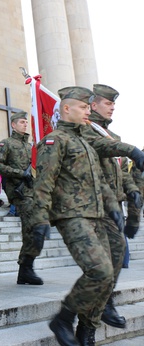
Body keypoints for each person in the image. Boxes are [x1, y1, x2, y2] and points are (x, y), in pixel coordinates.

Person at [32, 86, 122, 345]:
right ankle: (63, 318)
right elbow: (43, 184)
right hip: (71, 215)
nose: (87, 112)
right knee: (100, 271)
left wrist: (113, 206)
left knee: (107, 279)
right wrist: (39, 220)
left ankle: (87, 329)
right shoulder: (55, 140)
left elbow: (98, 181)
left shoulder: (84, 140)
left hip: (96, 215)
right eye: (83, 107)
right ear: (67, 109)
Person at [82, 84, 141, 331]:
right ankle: (87, 319)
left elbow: (120, 169)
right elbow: (101, 148)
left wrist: (133, 189)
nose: (112, 107)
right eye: (108, 103)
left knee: (115, 258)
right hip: (93, 206)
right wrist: (131, 148)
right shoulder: (85, 130)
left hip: (113, 206)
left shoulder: (112, 136)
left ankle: (103, 303)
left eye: (113, 103)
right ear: (94, 105)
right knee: (102, 263)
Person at [0, 111, 43, 286]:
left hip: (34, 193)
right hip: (20, 193)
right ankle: (26, 268)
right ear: (13, 125)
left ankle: (26, 268)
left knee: (36, 230)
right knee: (31, 229)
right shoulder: (5, 144)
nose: (25, 124)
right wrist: (20, 173)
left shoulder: (31, 147)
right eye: (21, 122)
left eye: (25, 122)